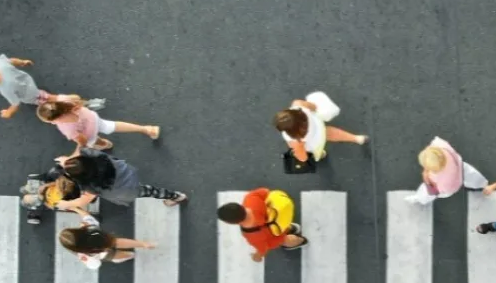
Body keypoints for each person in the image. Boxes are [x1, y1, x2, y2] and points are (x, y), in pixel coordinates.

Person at [50, 149, 185, 207]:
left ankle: (176, 197)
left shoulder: (87, 186)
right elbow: (79, 155)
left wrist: (64, 204)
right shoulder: (90, 155)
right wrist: (67, 161)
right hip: (123, 170)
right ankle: (175, 196)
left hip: (123, 190)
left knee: (146, 192)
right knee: (147, 190)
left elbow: (83, 200)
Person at [37, 97, 158, 152]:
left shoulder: (65, 127)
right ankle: (145, 129)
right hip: (92, 118)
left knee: (94, 142)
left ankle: (105, 144)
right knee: (113, 125)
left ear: (52, 120)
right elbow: (77, 99)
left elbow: (82, 139)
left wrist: (79, 150)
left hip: (90, 134)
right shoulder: (64, 100)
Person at [274, 93, 367, 164]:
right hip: (319, 127)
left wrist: (296, 153)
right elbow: (313, 106)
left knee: (316, 153)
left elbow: (303, 158)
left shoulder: (295, 140)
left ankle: (321, 155)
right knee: (331, 132)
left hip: (316, 143)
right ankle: (356, 138)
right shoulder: (299, 105)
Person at [218, 189, 306, 260]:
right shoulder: (250, 198)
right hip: (277, 218)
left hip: (275, 235)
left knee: (285, 239)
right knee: (282, 225)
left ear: (233, 223)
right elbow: (265, 192)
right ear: (240, 206)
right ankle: (293, 230)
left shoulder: (251, 235)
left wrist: (258, 256)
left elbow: (262, 248)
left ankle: (300, 241)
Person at [403, 137, 488, 206]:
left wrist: (427, 181)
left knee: (426, 192)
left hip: (452, 184)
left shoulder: (440, 179)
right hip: (458, 165)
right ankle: (481, 183)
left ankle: (419, 198)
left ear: (435, 169)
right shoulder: (442, 147)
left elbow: (434, 192)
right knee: (470, 173)